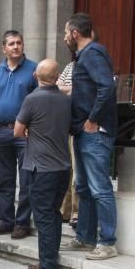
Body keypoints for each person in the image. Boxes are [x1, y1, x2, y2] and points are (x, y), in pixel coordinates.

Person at [61, 13, 119, 260]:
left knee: (99, 188)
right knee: (83, 186)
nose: (65, 38)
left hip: (94, 133)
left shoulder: (93, 53)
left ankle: (107, 242)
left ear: (75, 33)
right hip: (82, 132)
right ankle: (85, 238)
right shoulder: (84, 56)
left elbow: (107, 87)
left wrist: (93, 119)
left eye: (66, 33)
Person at [15, 59, 72, 269]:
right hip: (63, 166)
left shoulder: (32, 99)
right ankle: (48, 260)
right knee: (54, 215)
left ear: (35, 76)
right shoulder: (66, 100)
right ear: (57, 77)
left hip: (41, 167)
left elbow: (17, 132)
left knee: (44, 218)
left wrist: (31, 129)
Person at [0, 30, 38, 239]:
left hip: (25, 134)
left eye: (19, 43)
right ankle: (6, 220)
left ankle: (22, 223)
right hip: (1, 132)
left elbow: (38, 101)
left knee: (26, 180)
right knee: (5, 180)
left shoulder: (33, 70)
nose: (16, 46)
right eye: (11, 43)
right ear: (4, 48)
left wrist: (31, 126)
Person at [56, 55, 78, 228]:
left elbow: (84, 90)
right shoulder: (70, 66)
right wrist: (72, 88)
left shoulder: (92, 64)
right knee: (67, 168)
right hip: (65, 124)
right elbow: (57, 86)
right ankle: (66, 210)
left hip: (80, 125)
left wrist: (70, 89)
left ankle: (77, 212)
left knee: (77, 172)